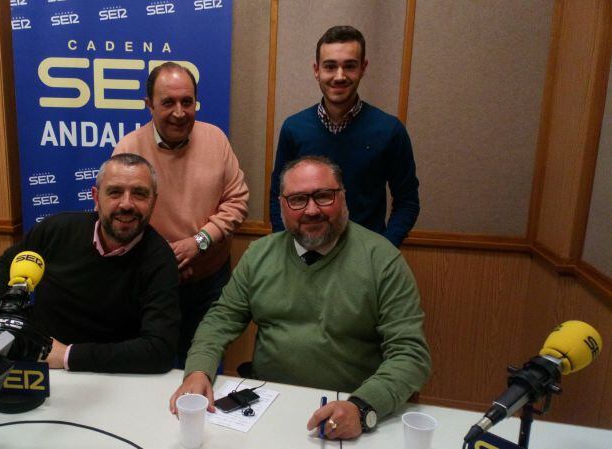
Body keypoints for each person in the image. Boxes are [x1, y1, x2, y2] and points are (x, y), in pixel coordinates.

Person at [170, 156, 431, 440]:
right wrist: (198, 371)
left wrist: (362, 407)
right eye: (297, 199)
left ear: (343, 198)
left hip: (344, 410)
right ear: (281, 205)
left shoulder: (381, 260)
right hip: (266, 406)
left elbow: (410, 355)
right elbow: (220, 320)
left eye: (323, 196)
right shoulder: (260, 255)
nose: (311, 210)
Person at [0, 153, 180, 374]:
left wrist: (67, 355)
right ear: (96, 198)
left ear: (153, 202)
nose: (126, 204)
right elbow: (6, 265)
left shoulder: (160, 260)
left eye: (139, 194)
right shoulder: (56, 229)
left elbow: (159, 350)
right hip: (33, 361)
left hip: (108, 375)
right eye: (115, 192)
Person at [113, 62, 249, 365]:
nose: (179, 112)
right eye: (168, 102)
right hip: (151, 283)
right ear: (149, 105)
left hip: (209, 278)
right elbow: (120, 218)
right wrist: (164, 262)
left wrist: (198, 243)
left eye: (187, 101)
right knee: (153, 366)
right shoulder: (129, 148)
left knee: (204, 364)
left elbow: (237, 202)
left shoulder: (216, 139)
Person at [269, 25, 420, 247]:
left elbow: (407, 202)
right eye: (330, 66)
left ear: (362, 68)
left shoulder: (389, 131)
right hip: (305, 256)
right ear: (316, 70)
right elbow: (277, 196)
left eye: (349, 66)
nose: (339, 76)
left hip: (365, 259)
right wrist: (288, 247)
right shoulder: (294, 128)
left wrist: (384, 250)